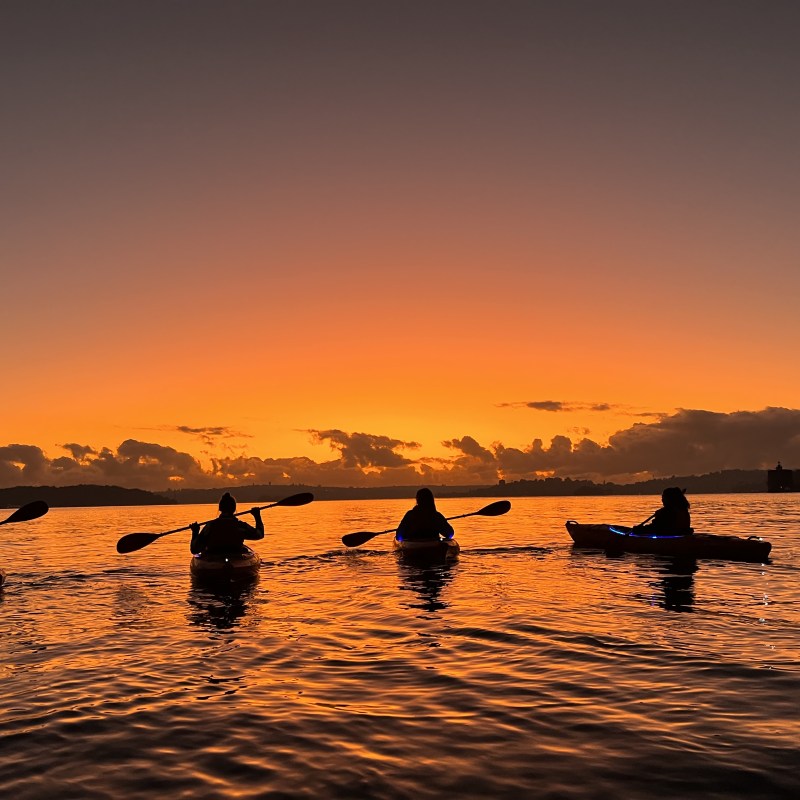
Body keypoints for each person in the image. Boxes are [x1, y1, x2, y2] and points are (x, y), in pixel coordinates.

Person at [190, 492, 264, 555]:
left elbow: (194, 549)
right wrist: (257, 516)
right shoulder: (240, 526)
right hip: (235, 558)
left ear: (220, 508)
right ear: (234, 509)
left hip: (213, 558)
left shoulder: (210, 526)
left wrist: (195, 532)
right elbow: (259, 534)